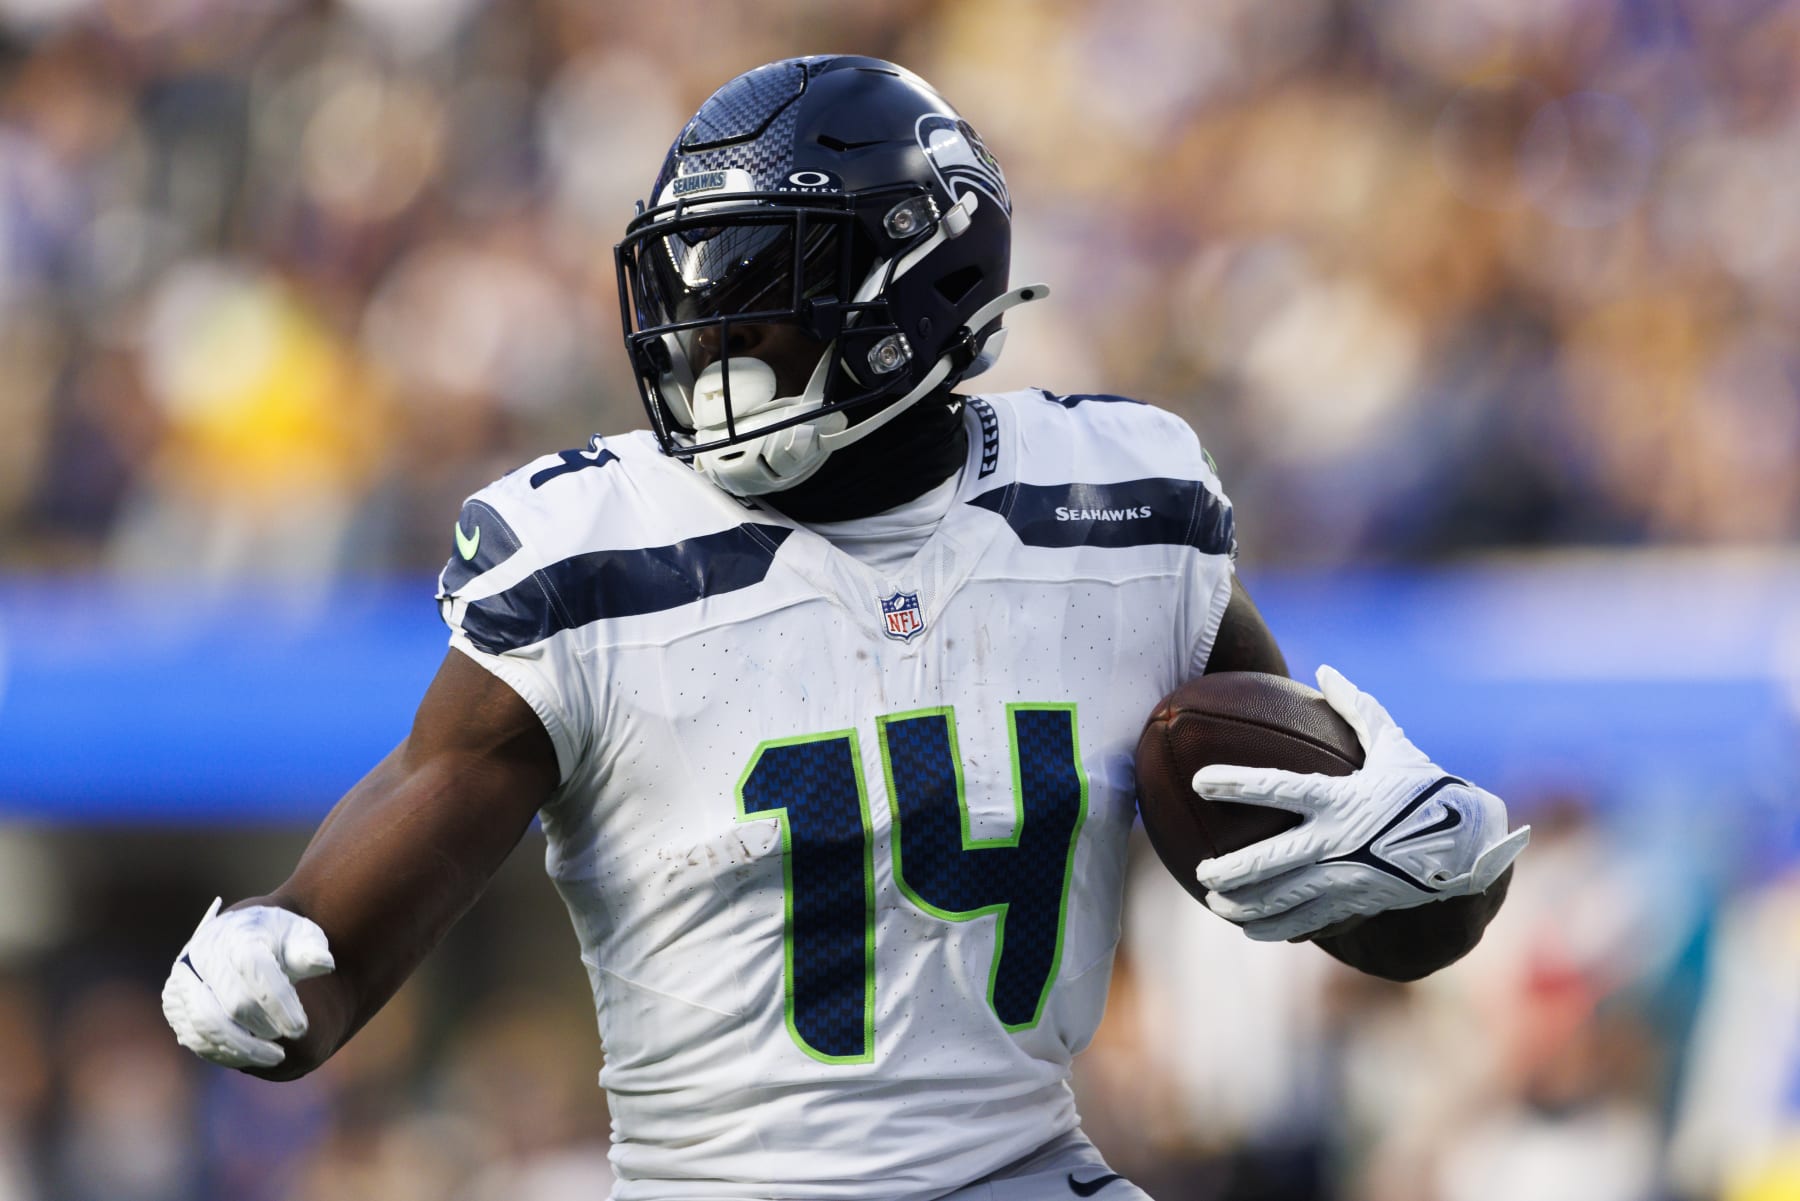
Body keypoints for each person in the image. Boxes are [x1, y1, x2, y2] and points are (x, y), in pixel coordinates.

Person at [161, 56, 1528, 1200]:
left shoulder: (1119, 511)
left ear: (922, 289)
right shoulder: (592, 550)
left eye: (762, 284)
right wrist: (274, 961)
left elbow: (1311, 878)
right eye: (691, 287)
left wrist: (1441, 866)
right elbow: (359, 904)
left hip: (1026, 1166)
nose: (709, 333)